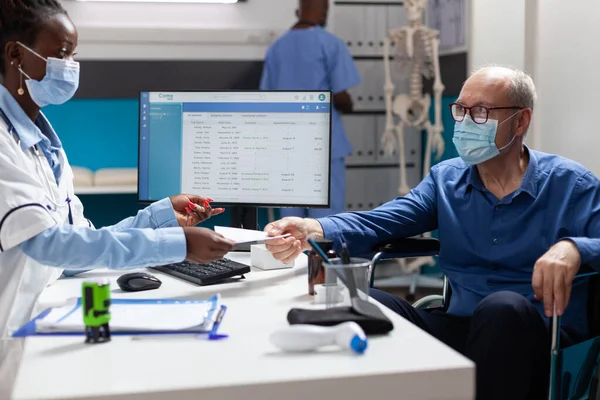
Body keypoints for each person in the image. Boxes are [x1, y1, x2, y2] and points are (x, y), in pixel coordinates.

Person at [264, 65, 600, 399]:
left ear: (521, 120)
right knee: (363, 302)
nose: (466, 123)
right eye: (461, 110)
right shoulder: (446, 179)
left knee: (502, 309)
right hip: (461, 326)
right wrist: (314, 227)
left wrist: (574, 248)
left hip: (539, 334)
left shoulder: (571, 184)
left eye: (481, 111)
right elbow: (384, 220)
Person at [0, 0, 235, 339]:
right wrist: (176, 243)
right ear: (16, 54)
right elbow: (50, 245)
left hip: (35, 319)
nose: (70, 67)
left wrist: (160, 217)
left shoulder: (44, 144)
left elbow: (76, 253)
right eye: (62, 54)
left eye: (73, 56)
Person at [259, 0, 361, 218]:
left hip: (287, 144)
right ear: (324, 12)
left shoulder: (276, 48)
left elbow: (266, 98)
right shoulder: (330, 44)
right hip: (324, 144)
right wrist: (347, 104)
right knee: (326, 221)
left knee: (290, 220)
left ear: (298, 11)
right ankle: (320, 253)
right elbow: (342, 97)